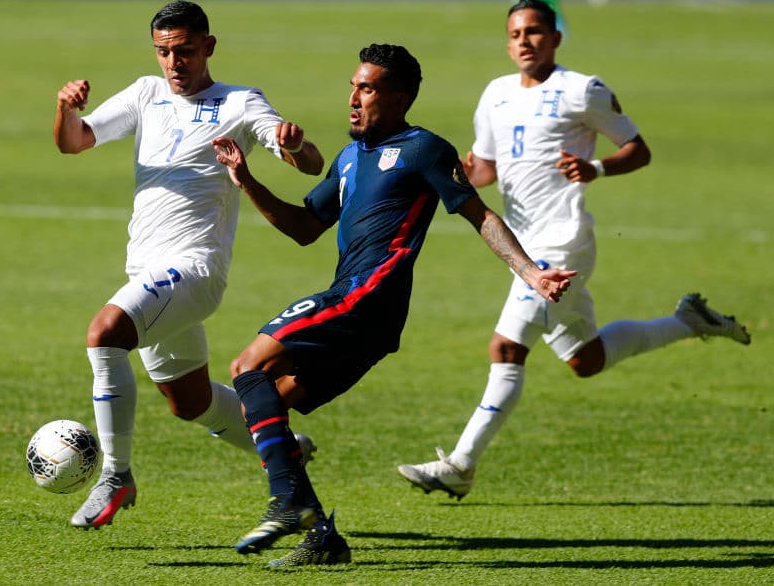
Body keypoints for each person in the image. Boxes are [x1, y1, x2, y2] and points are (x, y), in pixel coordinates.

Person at [211, 43, 577, 567]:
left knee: (248, 366)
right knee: (263, 400)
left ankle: (288, 504)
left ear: (399, 97)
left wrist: (531, 272)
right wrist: (247, 182)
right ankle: (322, 539)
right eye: (353, 87)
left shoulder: (424, 149)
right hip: (365, 315)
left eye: (367, 88)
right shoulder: (348, 157)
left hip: (368, 295)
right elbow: (303, 228)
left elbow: (479, 215)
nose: (354, 98)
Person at [396, 0, 751, 501]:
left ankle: (460, 464)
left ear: (556, 37)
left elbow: (638, 149)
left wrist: (597, 168)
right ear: (507, 41)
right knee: (587, 358)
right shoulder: (495, 94)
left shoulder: (582, 90)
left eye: (536, 31)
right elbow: (486, 170)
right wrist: (453, 171)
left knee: (506, 346)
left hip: (562, 241)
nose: (526, 41)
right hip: (524, 243)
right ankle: (689, 321)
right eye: (517, 34)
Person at [52, 0, 325, 530]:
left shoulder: (240, 102)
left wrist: (297, 147)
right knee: (191, 403)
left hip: (195, 270)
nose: (173, 63)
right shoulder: (146, 93)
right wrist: (65, 109)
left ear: (208, 47)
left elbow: (306, 161)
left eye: (183, 51)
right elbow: (75, 141)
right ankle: (285, 448)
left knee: (105, 334)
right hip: (148, 273)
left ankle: (115, 476)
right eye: (163, 52)